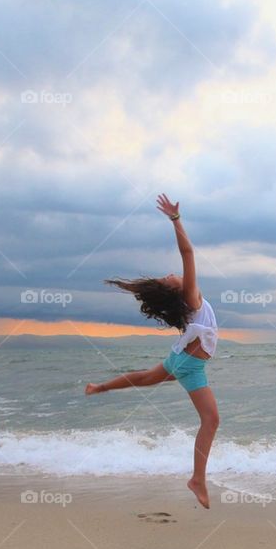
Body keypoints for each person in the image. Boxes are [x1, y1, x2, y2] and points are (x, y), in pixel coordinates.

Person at [85, 194, 220, 508]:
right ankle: (197, 479)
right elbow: (187, 251)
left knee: (147, 377)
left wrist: (133, 287)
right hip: (189, 365)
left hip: (179, 357)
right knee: (211, 421)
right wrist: (176, 219)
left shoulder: (185, 301)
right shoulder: (190, 296)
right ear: (177, 289)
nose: (171, 274)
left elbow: (164, 278)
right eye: (168, 278)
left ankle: (101, 387)